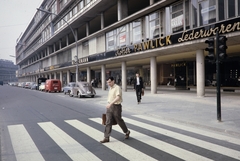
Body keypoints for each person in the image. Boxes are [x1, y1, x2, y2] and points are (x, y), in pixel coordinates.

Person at [100, 76, 130, 143]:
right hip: (110, 107)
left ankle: (127, 131)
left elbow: (118, 97)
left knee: (119, 121)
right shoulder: (110, 88)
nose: (109, 84)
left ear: (113, 81)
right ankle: (106, 137)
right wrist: (109, 104)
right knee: (108, 122)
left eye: (110, 82)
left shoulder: (117, 88)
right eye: (107, 82)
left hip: (116, 107)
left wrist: (110, 104)